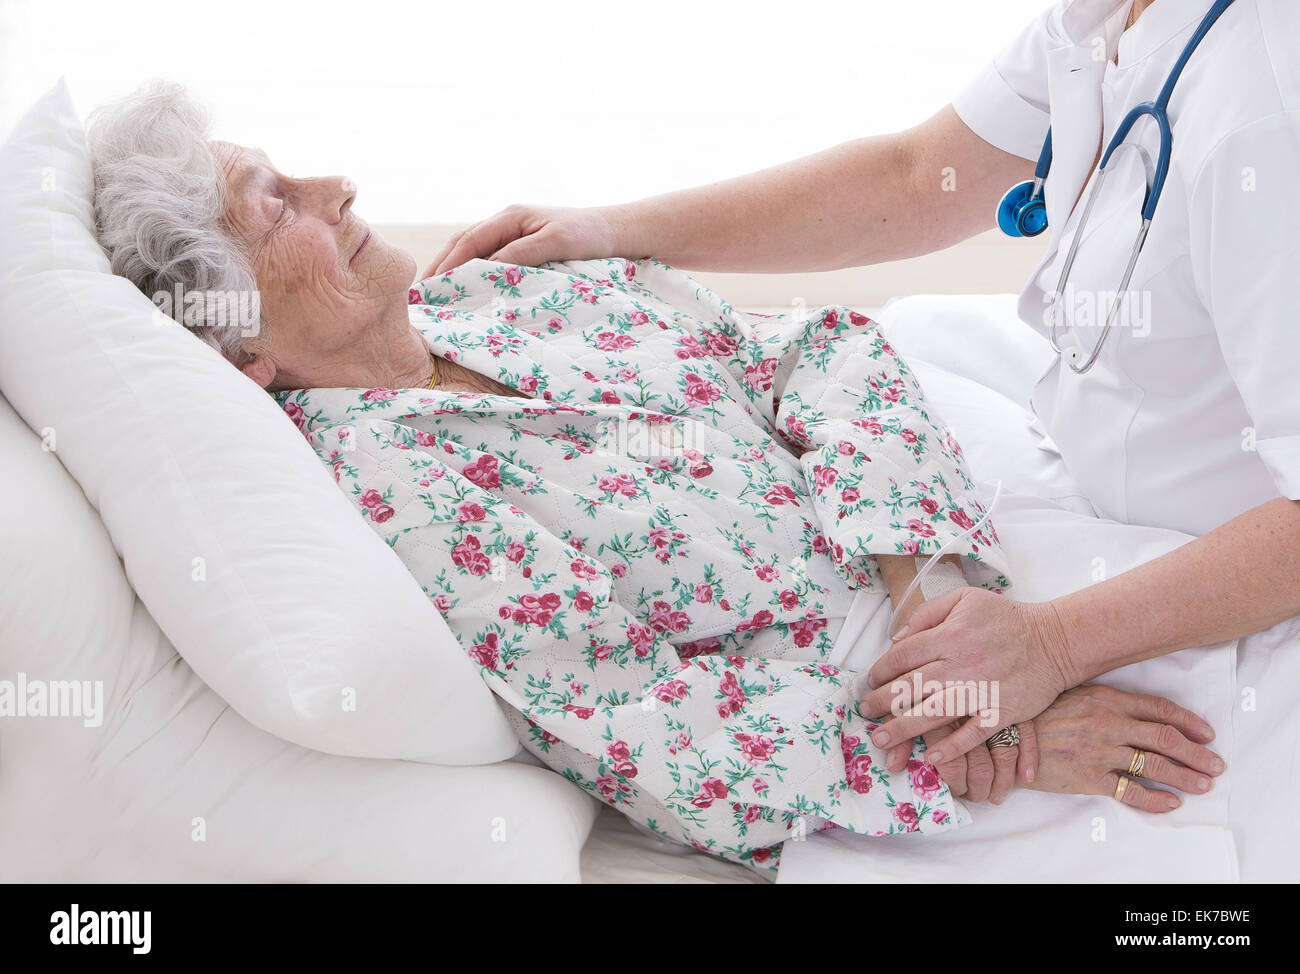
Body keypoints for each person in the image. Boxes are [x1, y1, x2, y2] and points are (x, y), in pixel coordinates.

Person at [84, 77, 1226, 872]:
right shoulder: (388, 496)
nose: (335, 183)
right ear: (243, 348)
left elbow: (809, 346)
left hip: (938, 544)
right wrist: (990, 739)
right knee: (1219, 751)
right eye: (276, 202)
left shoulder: (501, 287)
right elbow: (645, 729)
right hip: (898, 716)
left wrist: (921, 571)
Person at [419, 0, 1300, 780]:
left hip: (1225, 559)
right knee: (906, 337)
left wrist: (1052, 645)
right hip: (1093, 436)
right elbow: (920, 176)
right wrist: (613, 226)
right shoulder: (1119, 15)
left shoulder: (1265, 107)